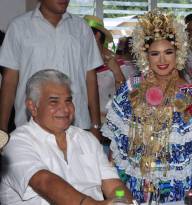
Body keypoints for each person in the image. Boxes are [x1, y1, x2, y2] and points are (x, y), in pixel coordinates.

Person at [101, 10, 192, 204]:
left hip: (176, 195)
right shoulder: (131, 89)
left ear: (178, 53)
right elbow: (114, 151)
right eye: (155, 53)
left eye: (168, 52)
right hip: (133, 192)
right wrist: (118, 194)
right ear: (145, 56)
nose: (162, 60)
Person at [0, 69, 133, 205]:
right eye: (54, 102)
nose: (65, 109)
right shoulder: (16, 142)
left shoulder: (87, 139)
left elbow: (115, 187)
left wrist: (120, 202)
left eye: (68, 101)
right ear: (33, 107)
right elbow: (44, 182)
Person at [0, 0, 103, 140]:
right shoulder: (19, 27)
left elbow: (90, 79)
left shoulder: (81, 28)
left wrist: (96, 125)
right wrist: (2, 128)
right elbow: (9, 81)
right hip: (31, 129)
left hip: (77, 128)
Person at [84, 15, 126, 121]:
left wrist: (117, 71)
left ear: (97, 35)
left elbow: (126, 97)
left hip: (111, 125)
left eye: (83, 33)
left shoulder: (119, 63)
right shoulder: (80, 61)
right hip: (85, 122)